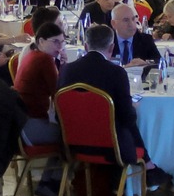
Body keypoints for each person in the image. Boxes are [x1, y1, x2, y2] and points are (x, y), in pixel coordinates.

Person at [56, 24, 143, 170]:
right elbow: (127, 118)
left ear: (85, 46)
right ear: (111, 47)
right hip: (111, 147)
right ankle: (148, 169)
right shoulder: (117, 73)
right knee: (130, 125)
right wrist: (132, 107)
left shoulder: (66, 70)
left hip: (72, 145)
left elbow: (59, 114)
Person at [14, 23, 65, 148]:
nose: (60, 47)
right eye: (55, 42)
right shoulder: (45, 59)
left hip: (19, 123)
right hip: (31, 127)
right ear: (41, 41)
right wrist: (65, 67)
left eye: (62, 42)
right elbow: (60, 94)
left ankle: (57, 161)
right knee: (74, 134)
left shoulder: (31, 54)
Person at [98, 0, 159, 70]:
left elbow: (159, 61)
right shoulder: (106, 41)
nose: (131, 24)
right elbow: (98, 64)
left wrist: (146, 63)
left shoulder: (145, 39)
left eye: (133, 19)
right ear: (114, 24)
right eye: (126, 20)